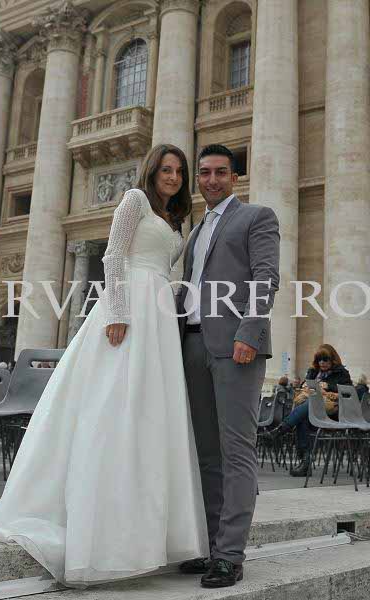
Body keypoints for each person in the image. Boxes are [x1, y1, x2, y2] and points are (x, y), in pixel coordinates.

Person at [0, 144, 209, 588]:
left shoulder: (175, 217)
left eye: (179, 171)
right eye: (166, 169)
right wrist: (117, 312)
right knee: (112, 402)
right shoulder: (135, 200)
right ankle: (99, 517)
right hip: (130, 308)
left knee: (149, 411)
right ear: (152, 171)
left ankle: (146, 523)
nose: (173, 177)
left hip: (159, 314)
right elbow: (113, 255)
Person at [177, 144, 280, 588]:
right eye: (205, 173)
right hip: (192, 344)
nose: (212, 179)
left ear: (234, 177)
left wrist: (249, 333)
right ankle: (212, 546)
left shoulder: (256, 217)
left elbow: (266, 277)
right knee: (206, 453)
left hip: (236, 346)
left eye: (221, 172)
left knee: (236, 451)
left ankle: (230, 555)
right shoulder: (196, 230)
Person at [267, 344, 352, 477]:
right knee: (303, 418)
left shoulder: (342, 373)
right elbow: (303, 386)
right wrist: (306, 385)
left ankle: (281, 430)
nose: (322, 362)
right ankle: (305, 463)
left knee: (309, 405)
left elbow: (349, 393)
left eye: (325, 359)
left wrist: (329, 386)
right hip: (311, 411)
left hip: (332, 412)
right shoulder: (313, 372)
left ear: (333, 359)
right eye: (319, 359)